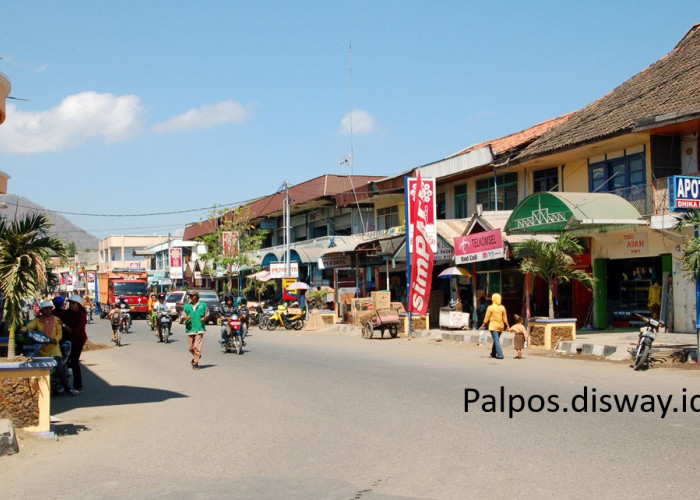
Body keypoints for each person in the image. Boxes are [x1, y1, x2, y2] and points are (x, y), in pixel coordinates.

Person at [24, 300, 76, 395]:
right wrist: (22, 330)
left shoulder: (57, 320)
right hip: (42, 349)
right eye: (45, 309)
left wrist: (55, 339)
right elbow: (28, 327)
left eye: (49, 309)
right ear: (42, 311)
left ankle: (68, 388)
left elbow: (59, 334)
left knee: (59, 368)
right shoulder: (37, 321)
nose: (47, 311)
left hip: (54, 349)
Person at [54, 294, 88, 392]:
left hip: (78, 340)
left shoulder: (81, 315)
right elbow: (58, 316)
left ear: (78, 305)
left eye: (73, 304)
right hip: (65, 338)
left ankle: (78, 386)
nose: (71, 305)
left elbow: (76, 331)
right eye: (70, 303)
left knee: (74, 361)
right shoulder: (67, 312)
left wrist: (64, 325)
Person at [182, 291, 209, 370]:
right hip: (190, 328)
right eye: (190, 296)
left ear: (196, 297)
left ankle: (195, 363)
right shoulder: (187, 306)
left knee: (197, 346)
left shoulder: (203, 305)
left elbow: (207, 314)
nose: (191, 297)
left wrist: (205, 318)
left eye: (192, 296)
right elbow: (183, 315)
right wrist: (185, 317)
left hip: (199, 328)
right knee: (191, 348)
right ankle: (197, 355)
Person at [480, 292, 509, 360]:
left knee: (496, 340)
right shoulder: (502, 307)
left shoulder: (490, 307)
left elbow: (486, 318)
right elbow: (505, 318)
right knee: (496, 339)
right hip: (501, 326)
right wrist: (508, 326)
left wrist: (483, 325)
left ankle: (500, 354)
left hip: (493, 326)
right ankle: (493, 353)